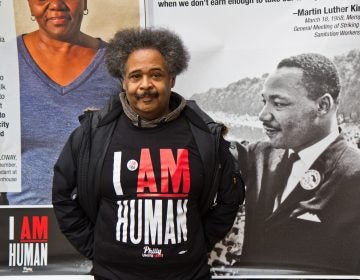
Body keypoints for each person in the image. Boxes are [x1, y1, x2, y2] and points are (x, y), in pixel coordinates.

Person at [52, 27, 244, 280]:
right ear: (123, 81)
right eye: (135, 76)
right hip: (113, 275)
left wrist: (198, 243)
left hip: (187, 275)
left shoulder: (205, 134)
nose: (145, 85)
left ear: (172, 78)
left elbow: (231, 198)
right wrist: (95, 247)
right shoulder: (93, 133)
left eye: (156, 75)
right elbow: (62, 194)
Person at [238, 53, 360, 274]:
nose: (263, 115)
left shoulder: (354, 174)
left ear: (322, 106)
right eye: (264, 102)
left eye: (278, 103)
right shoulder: (259, 154)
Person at [7, 0, 120, 204]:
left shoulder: (118, 64)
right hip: (27, 226)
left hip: (99, 224)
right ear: (30, 4)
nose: (56, 4)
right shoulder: (4, 60)